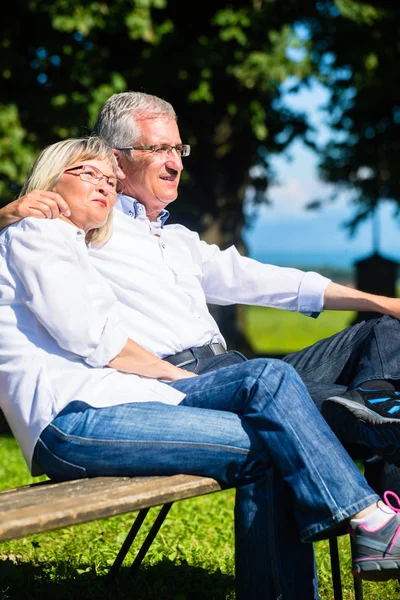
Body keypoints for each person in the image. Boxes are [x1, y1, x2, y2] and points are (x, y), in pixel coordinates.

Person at [2, 136, 400, 600]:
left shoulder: (93, 242)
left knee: (273, 422)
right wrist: (177, 376)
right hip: (71, 420)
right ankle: (371, 514)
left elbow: (259, 279)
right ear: (50, 181)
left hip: (121, 404)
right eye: (88, 174)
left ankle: (374, 431)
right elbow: (87, 334)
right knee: (267, 387)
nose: (104, 187)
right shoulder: (38, 231)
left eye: (109, 180)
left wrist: (380, 301)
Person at [1, 92, 400, 488]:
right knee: (371, 418)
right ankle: (378, 490)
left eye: (178, 148)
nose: (175, 163)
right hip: (184, 382)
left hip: (236, 369)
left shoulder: (178, 239)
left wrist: (382, 301)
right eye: (159, 149)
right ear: (118, 160)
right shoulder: (91, 223)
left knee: (386, 330)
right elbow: (36, 246)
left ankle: (373, 407)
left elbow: (260, 280)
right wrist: (5, 214)